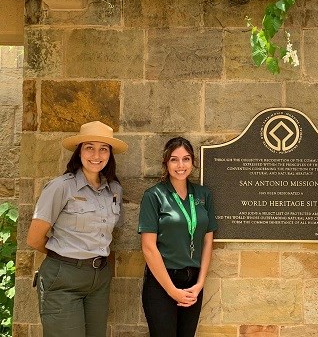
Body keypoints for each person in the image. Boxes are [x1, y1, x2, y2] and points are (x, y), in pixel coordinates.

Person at [27, 121, 128, 337]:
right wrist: (66, 257)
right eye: (89, 147)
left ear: (110, 154)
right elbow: (34, 238)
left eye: (103, 149)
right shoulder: (60, 187)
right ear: (79, 151)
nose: (96, 154)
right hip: (64, 278)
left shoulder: (115, 190)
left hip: (99, 279)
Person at [138, 137, 218, 337]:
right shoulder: (154, 195)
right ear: (166, 163)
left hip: (193, 284)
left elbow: (208, 242)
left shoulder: (203, 194)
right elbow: (148, 247)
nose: (180, 165)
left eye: (186, 159)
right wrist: (172, 290)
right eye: (174, 159)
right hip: (162, 283)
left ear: (193, 162)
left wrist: (199, 284)